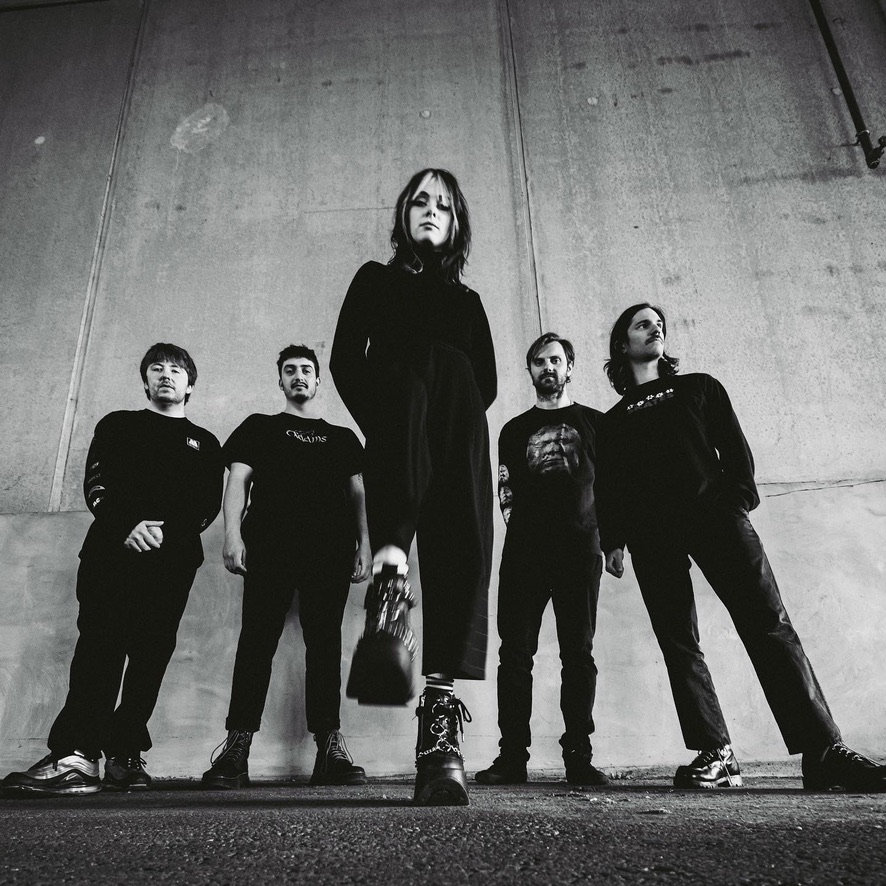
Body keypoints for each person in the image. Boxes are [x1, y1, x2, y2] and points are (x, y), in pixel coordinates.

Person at [596, 303, 886, 791]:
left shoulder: (698, 387)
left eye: (659, 323)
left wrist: (736, 502)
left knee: (769, 625)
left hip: (715, 518)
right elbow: (611, 488)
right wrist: (614, 541)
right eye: (642, 324)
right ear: (622, 344)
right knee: (678, 640)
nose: (655, 328)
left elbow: (735, 450)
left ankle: (822, 752)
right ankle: (716, 753)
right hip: (651, 535)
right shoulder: (614, 420)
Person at [330, 168, 496, 806]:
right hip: (398, 406)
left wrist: (452, 417)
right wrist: (388, 420)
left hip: (460, 419)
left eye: (443, 205)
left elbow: (486, 380)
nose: (431, 210)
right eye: (420, 201)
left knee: (463, 549)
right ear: (403, 215)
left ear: (456, 223)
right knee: (409, 385)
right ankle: (391, 569)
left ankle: (439, 731)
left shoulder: (468, 301)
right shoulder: (375, 279)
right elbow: (346, 360)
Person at [2, 343, 222, 794]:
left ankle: (125, 755)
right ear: (145, 381)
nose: (166, 374)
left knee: (151, 657)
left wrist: (163, 534)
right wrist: (127, 526)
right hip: (111, 556)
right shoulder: (118, 425)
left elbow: (207, 505)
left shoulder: (206, 442)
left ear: (190, 385)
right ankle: (78, 755)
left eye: (176, 369)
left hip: (173, 563)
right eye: (157, 368)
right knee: (99, 650)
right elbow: (97, 483)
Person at [201, 345, 371, 789]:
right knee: (256, 643)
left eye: (306, 370)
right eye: (290, 370)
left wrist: (365, 546)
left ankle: (329, 746)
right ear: (280, 380)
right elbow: (237, 480)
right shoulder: (259, 427)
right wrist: (232, 535)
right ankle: (236, 748)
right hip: (269, 547)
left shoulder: (342, 437)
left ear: (317, 381)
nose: (299, 376)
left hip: (330, 551)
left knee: (325, 645)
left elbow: (358, 493)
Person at [475, 333, 608, 787]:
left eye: (555, 360)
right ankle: (512, 757)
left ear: (570, 367)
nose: (547, 367)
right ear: (530, 369)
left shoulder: (596, 424)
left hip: (581, 553)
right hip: (524, 556)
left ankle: (579, 758)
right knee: (514, 655)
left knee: (578, 654)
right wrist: (522, 533)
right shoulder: (513, 430)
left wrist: (612, 542)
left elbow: (609, 488)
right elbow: (506, 489)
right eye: (539, 361)